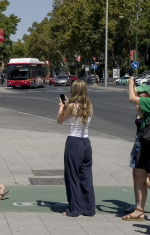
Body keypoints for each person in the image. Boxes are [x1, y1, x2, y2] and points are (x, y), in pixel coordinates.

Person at [57, 79, 95, 217]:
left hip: (74, 142)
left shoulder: (71, 106)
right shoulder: (89, 106)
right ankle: (89, 208)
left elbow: (59, 120)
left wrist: (61, 107)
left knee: (72, 175)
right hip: (86, 142)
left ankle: (75, 209)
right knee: (86, 176)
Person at [123, 80, 150, 221]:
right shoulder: (145, 105)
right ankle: (139, 210)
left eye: (141, 93)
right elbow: (138, 110)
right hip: (146, 144)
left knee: (148, 181)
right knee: (139, 175)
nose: (138, 94)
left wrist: (130, 84)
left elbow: (131, 98)